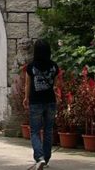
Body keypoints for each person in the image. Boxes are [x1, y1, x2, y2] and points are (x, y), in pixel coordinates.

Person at [24, 39, 60, 169]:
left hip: (35, 102)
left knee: (34, 131)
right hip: (50, 100)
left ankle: (39, 157)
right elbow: (55, 85)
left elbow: (27, 84)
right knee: (48, 130)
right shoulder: (54, 66)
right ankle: (46, 157)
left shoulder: (31, 67)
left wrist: (26, 97)